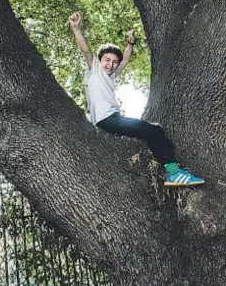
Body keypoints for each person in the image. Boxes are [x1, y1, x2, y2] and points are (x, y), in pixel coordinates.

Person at [69, 11, 204, 187]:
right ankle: (174, 173)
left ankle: (166, 165)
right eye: (107, 60)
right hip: (107, 120)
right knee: (154, 131)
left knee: (153, 130)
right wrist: (76, 28)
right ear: (99, 60)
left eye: (114, 62)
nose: (111, 65)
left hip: (112, 120)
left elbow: (125, 59)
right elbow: (85, 49)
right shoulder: (94, 71)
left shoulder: (111, 76)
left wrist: (130, 43)